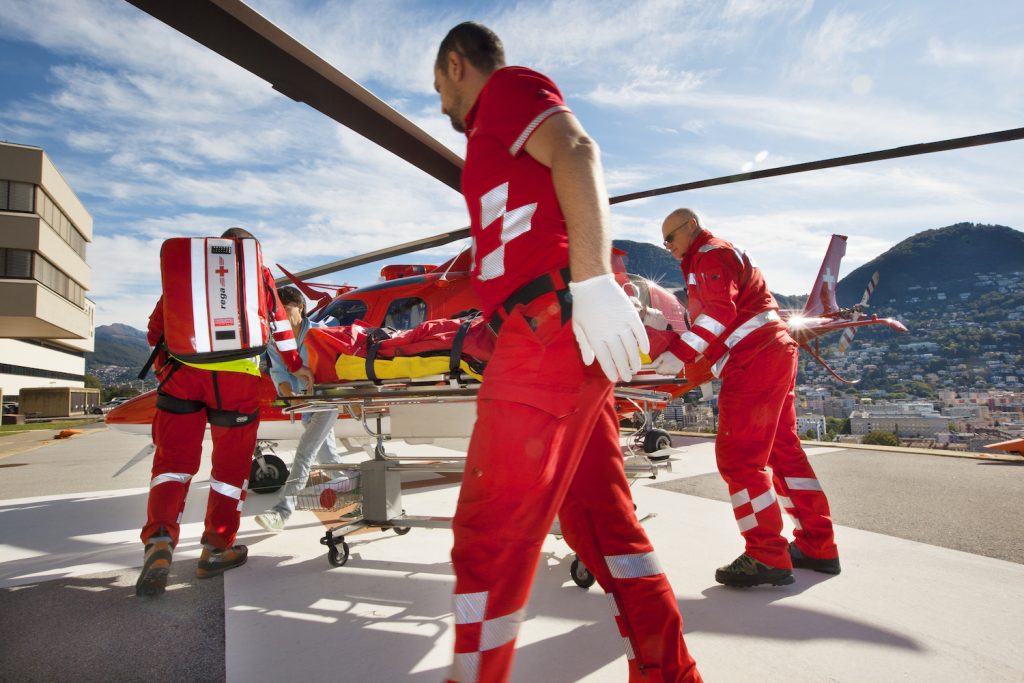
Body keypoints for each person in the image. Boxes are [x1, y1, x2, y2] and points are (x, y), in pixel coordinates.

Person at [434, 23, 701, 682]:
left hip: (544, 331)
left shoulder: (507, 90)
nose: (439, 101)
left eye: (439, 85)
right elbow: (522, 226)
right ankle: (670, 672)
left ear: (455, 64)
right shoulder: (491, 146)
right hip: (564, 339)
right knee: (601, 522)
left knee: (490, 531)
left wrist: (591, 279)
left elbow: (578, 149)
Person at [652, 208, 841, 587]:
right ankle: (818, 546)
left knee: (739, 458)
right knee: (783, 451)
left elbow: (720, 312)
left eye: (670, 238)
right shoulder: (717, 254)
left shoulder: (708, 255)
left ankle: (765, 555)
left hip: (753, 360)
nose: (668, 248)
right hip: (773, 352)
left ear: (691, 227)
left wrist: (680, 354)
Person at [135, 227, 315, 597]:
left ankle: (159, 541)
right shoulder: (256, 272)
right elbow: (280, 326)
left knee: (171, 464)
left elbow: (156, 329)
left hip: (181, 376)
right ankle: (216, 549)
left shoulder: (189, 272)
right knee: (230, 472)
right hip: (236, 382)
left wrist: (170, 368)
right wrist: (296, 364)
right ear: (249, 250)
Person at [255, 286, 343, 532]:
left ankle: (282, 511)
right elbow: (279, 372)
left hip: (327, 400)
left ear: (301, 308)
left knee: (305, 451)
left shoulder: (320, 333)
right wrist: (288, 395)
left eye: (286, 309)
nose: (280, 316)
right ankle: (365, 492)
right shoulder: (275, 341)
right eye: (277, 312)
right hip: (305, 404)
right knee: (329, 460)